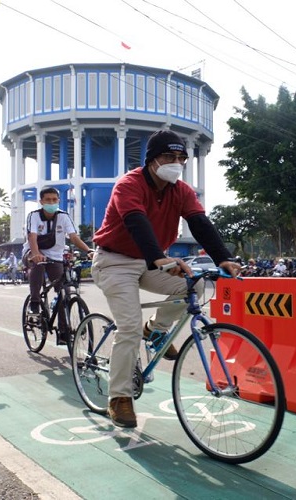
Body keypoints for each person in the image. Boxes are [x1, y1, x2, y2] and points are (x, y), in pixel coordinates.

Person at [91, 129, 241, 429]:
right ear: (151, 160)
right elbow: (136, 221)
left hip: (150, 261)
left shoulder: (182, 190)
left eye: (180, 158)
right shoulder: (129, 184)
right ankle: (119, 397)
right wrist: (158, 258)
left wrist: (223, 257)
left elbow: (199, 223)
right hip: (114, 261)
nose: (176, 163)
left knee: (197, 285)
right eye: (168, 157)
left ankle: (157, 330)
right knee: (129, 327)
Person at [25, 186, 93, 333]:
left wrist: (89, 251)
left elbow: (74, 237)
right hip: (34, 252)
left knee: (64, 293)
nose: (51, 202)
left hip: (56, 257)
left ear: (59, 200)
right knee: (38, 264)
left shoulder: (64, 216)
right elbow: (32, 237)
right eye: (48, 200)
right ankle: (35, 302)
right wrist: (36, 254)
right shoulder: (34, 216)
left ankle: (64, 331)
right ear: (41, 201)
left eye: (54, 199)